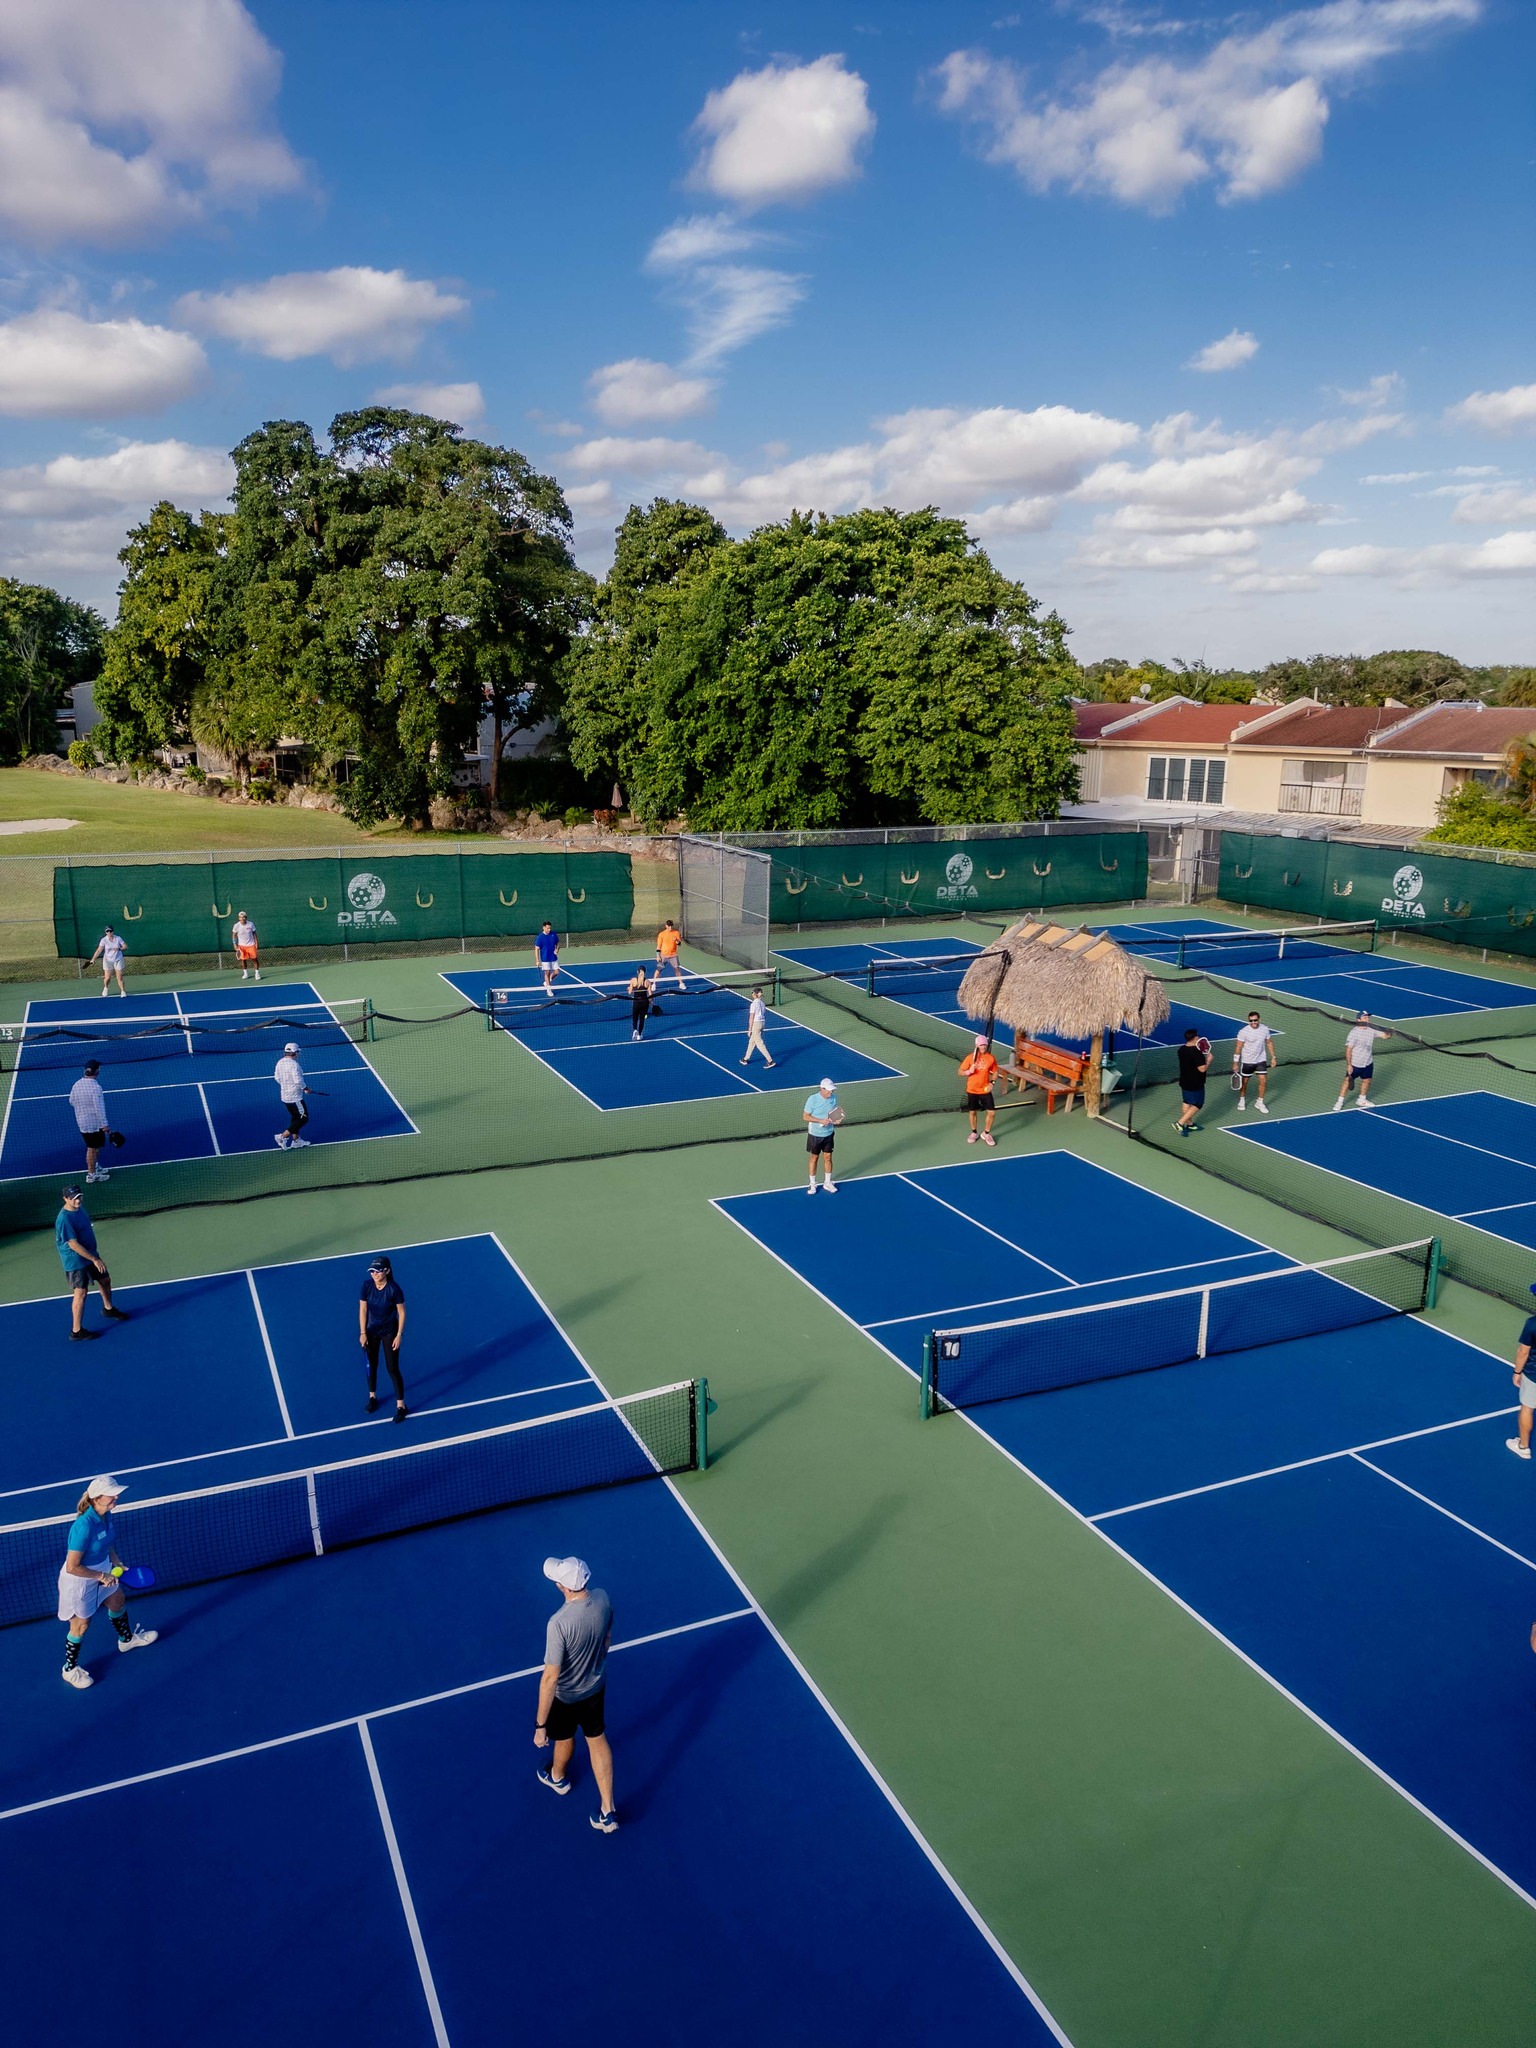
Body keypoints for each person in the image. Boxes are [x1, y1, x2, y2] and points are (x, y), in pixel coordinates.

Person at [534, 1555, 617, 1834]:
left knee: (564, 1737)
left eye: (558, 1580)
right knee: (597, 1738)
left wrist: (540, 1726)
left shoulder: (558, 1623)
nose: (556, 1583)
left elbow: (550, 1678)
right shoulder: (603, 1598)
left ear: (565, 1587)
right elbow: (607, 1637)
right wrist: (596, 1663)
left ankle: (557, 1777)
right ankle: (607, 1811)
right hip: (596, 1687)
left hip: (567, 1697)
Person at [58, 1476, 157, 1689]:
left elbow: (107, 1543)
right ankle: (69, 1669)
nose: (117, 1497)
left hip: (103, 1569)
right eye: (112, 1494)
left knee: (117, 1601)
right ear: (97, 1498)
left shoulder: (106, 1514)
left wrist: (116, 1561)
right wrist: (102, 1576)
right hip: (80, 1580)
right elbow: (72, 1566)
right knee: (81, 1625)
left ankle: (127, 1640)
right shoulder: (83, 1526)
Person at [56, 1185, 127, 1342]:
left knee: (105, 1280)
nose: (78, 1200)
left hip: (90, 1254)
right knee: (81, 1292)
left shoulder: (80, 1208)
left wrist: (94, 1256)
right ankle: (76, 1331)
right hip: (76, 1260)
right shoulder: (64, 1219)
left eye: (79, 1197)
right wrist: (94, 1259)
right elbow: (73, 1244)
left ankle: (108, 1309)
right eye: (73, 1198)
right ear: (65, 1199)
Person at [358, 1253, 407, 1422]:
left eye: (378, 1271)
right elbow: (363, 1310)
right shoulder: (366, 1286)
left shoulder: (394, 1289)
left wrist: (399, 1335)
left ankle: (401, 1406)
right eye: (372, 1271)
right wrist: (363, 1333)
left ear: (387, 1271)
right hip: (371, 1332)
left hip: (389, 1333)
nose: (374, 1274)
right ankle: (372, 1397)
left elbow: (401, 1312)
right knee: (371, 1365)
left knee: (392, 1368)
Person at [1334, 1011, 1392, 1110]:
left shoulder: (1372, 1029)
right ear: (1358, 1020)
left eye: (1368, 1017)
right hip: (1355, 1063)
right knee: (1347, 1081)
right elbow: (1349, 1050)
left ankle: (1361, 1100)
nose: (1367, 1019)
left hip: (1368, 1062)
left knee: (1367, 1080)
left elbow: (1386, 1036)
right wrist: (1349, 1065)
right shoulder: (1354, 1033)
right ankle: (1339, 1102)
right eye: (1365, 1018)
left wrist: (1389, 1032)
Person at [68, 1058, 111, 1184]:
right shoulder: (96, 1088)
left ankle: (95, 1167)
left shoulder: (77, 1084)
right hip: (94, 1124)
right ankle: (91, 1175)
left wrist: (83, 1109)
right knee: (92, 1148)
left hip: (82, 1121)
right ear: (96, 1071)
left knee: (95, 1147)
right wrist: (104, 1124)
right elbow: (99, 1108)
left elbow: (71, 1101)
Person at [1506, 1284, 1536, 1460]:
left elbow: (1523, 1352)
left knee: (1527, 1408)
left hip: (1533, 1375)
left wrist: (1517, 1372)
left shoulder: (1532, 1324)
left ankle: (1523, 1447)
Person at [959, 1033, 999, 1146]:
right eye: (981, 1045)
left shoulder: (991, 1058)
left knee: (991, 1112)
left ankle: (986, 1133)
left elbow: (995, 1072)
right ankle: (974, 1132)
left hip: (985, 1090)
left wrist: (992, 1083)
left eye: (985, 1045)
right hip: (972, 1090)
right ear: (977, 1045)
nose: (983, 1047)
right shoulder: (970, 1058)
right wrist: (968, 1071)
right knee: (972, 1112)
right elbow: (960, 1072)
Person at [1232, 1010, 1276, 1113]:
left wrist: (1273, 1057)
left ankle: (1259, 1102)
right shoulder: (1243, 1032)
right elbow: (1238, 1046)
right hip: (1247, 1061)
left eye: (1255, 1020)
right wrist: (1235, 1062)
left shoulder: (1265, 1029)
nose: (1253, 1022)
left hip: (1261, 1060)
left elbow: (1269, 1042)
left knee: (1263, 1081)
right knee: (1244, 1082)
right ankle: (1242, 1100)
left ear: (1259, 1019)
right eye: (1251, 1021)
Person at [803, 1078, 840, 1192]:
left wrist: (836, 1119)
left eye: (832, 1090)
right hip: (815, 1135)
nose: (831, 1092)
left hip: (829, 1133)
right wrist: (820, 1121)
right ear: (822, 1088)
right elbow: (805, 1116)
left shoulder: (833, 1098)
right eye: (828, 1090)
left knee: (828, 1157)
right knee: (814, 1158)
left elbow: (834, 1113)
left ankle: (827, 1183)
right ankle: (812, 1184)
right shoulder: (813, 1099)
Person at [273, 1040, 311, 1149]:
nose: (298, 1054)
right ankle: (282, 1136)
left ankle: (296, 1140)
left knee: (295, 1117)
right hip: (295, 1098)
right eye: (297, 1052)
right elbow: (298, 1081)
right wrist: (306, 1088)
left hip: (285, 1096)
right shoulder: (295, 1065)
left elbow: (277, 1077)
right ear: (294, 1053)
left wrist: (286, 1085)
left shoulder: (280, 1062)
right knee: (303, 1118)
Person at [1174, 1029, 1211, 1135]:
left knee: (1187, 1102)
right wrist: (1209, 1060)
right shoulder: (1196, 1052)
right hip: (1195, 1082)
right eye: (1197, 1036)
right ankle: (1180, 1123)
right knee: (1198, 1104)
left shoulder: (1181, 1049)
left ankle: (1190, 1125)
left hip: (1184, 1080)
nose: (1198, 1037)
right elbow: (1202, 1069)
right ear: (1195, 1038)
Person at [741, 985, 775, 1067]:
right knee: (752, 1042)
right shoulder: (762, 1003)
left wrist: (749, 1029)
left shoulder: (753, 1004)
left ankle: (770, 1061)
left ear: (755, 994)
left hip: (756, 1024)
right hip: (762, 1023)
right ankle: (745, 1059)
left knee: (759, 1043)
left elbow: (751, 1017)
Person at [90, 925, 127, 997]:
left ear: (113, 931)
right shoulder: (103, 940)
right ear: (105, 932)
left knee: (119, 977)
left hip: (118, 959)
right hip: (107, 960)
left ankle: (123, 991)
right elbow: (99, 950)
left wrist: (119, 949)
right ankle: (106, 988)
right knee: (107, 978)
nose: (109, 932)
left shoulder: (118, 938)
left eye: (110, 931)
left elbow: (125, 946)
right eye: (107, 931)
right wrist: (93, 959)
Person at [654, 919, 685, 989]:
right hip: (663, 955)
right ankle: (654, 984)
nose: (670, 927)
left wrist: (676, 940)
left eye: (671, 926)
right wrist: (658, 956)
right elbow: (659, 946)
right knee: (659, 969)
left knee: (677, 969)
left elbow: (679, 944)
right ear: (666, 926)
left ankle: (681, 983)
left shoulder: (676, 933)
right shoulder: (662, 934)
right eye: (669, 926)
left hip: (673, 955)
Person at [231, 910, 261, 981]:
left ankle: (257, 974)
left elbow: (254, 934)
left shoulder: (251, 924)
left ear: (246, 917)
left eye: (244, 917)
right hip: (241, 946)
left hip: (251, 945)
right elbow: (234, 935)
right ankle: (245, 974)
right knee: (243, 960)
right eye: (240, 917)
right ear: (239, 918)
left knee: (254, 959)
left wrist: (256, 943)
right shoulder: (236, 926)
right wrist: (234, 944)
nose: (242, 918)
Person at [628, 965, 654, 1041]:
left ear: (637, 972)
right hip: (645, 1003)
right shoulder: (647, 982)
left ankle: (635, 1030)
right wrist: (652, 1003)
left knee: (635, 1017)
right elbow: (650, 995)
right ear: (645, 972)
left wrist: (629, 988)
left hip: (636, 1002)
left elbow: (630, 992)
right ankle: (639, 1035)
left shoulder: (633, 980)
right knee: (642, 1019)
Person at [534, 920, 560, 991]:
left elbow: (558, 943)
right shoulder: (540, 937)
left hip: (553, 957)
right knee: (547, 972)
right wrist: (537, 961)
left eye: (550, 928)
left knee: (557, 972)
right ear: (544, 928)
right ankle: (549, 989)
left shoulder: (553, 934)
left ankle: (547, 981)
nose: (549, 930)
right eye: (548, 928)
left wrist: (557, 949)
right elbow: (536, 949)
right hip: (545, 958)